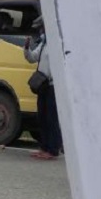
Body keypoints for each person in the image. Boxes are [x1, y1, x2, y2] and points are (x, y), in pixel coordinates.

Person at [24, 16, 63, 160]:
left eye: (42, 28)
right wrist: (27, 48)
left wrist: (52, 77)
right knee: (42, 117)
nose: (40, 31)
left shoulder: (58, 43)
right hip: (43, 85)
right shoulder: (44, 43)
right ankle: (44, 147)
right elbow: (32, 58)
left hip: (52, 86)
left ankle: (53, 150)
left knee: (51, 118)